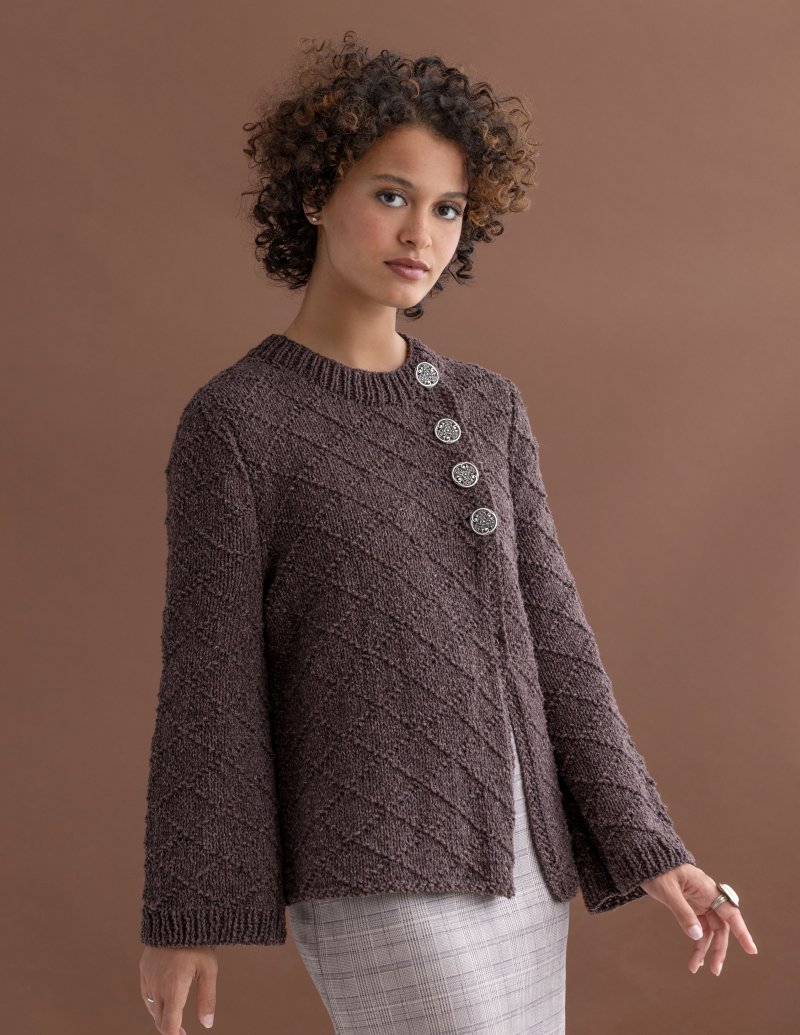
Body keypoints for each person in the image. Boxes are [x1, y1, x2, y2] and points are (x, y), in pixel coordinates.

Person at [138, 30, 757, 1035]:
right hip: (373, 857)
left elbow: (556, 641)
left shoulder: (487, 408)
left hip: (520, 854)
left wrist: (651, 844)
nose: (419, 232)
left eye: (447, 208)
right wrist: (187, 912)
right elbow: (210, 680)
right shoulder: (237, 423)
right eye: (390, 194)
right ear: (314, 195)